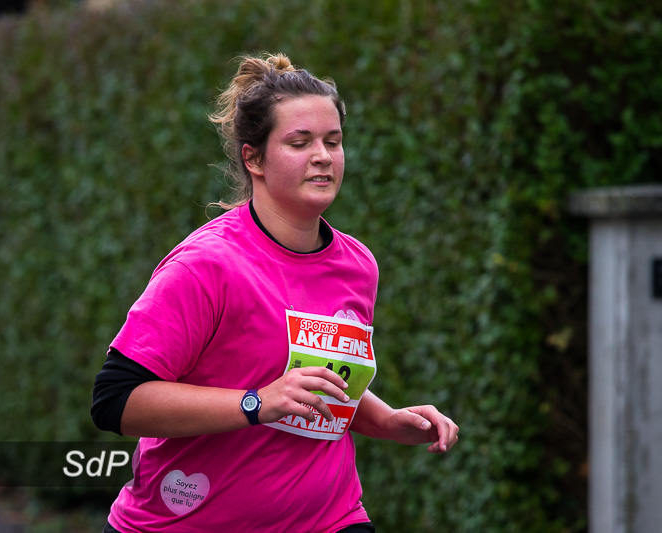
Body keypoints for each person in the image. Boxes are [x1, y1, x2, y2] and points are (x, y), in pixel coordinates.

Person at [91, 52, 459, 533]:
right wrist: (255, 402)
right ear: (254, 158)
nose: (323, 156)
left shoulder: (357, 265)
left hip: (331, 519)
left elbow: (320, 385)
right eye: (299, 142)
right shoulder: (206, 266)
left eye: (333, 141)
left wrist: (386, 420)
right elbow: (116, 400)